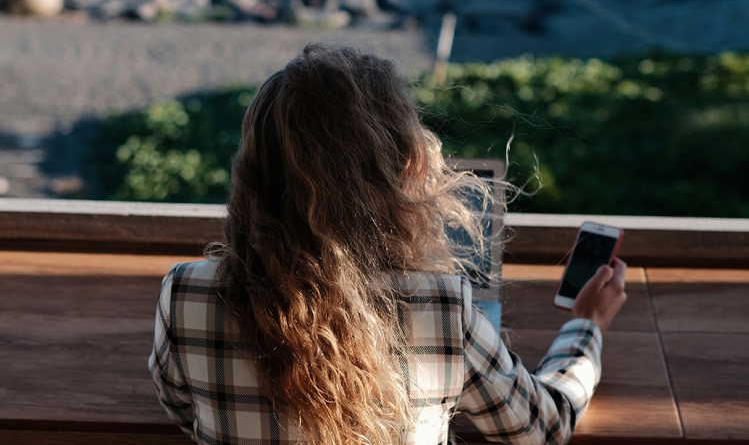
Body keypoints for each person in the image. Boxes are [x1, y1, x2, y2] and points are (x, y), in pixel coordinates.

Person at [149, 44, 628, 445]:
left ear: (253, 168)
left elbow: (178, 405)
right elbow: (543, 426)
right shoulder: (441, 309)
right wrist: (587, 326)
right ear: (401, 171)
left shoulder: (186, 294)